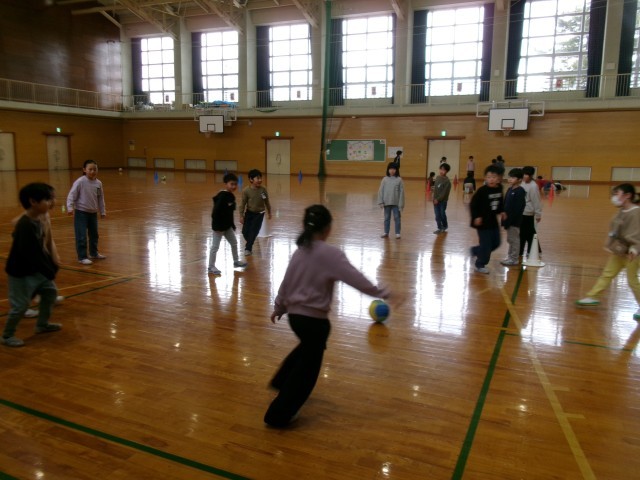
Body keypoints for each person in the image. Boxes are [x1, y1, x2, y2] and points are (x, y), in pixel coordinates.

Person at [264, 205, 394, 427]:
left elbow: (287, 283)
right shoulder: (331, 254)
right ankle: (278, 416)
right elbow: (356, 279)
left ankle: (281, 380)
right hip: (315, 322)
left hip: (296, 319)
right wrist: (382, 292)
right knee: (307, 371)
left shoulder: (300, 251)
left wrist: (279, 307)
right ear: (328, 229)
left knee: (306, 348)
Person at [2, 183, 62, 347]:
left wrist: (50, 264)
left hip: (36, 270)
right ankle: (7, 335)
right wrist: (49, 270)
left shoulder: (39, 219)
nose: (50, 203)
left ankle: (42, 325)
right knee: (20, 306)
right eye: (46, 200)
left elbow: (42, 247)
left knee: (50, 292)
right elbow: (32, 253)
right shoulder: (25, 224)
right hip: (21, 273)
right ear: (33, 202)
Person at [576, 184, 640, 319]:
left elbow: (637, 234)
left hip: (632, 254)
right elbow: (615, 230)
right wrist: (611, 243)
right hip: (620, 252)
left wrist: (634, 248)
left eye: (617, 194)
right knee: (607, 274)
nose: (614, 197)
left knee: (632, 281)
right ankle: (593, 297)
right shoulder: (621, 211)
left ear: (628, 195)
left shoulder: (636, 212)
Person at [66, 159, 106, 265]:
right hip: (81, 213)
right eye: (90, 169)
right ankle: (82, 257)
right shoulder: (80, 182)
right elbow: (71, 195)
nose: (93, 171)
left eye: (95, 169)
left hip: (93, 213)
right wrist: (70, 208)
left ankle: (93, 253)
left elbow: (100, 198)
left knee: (94, 235)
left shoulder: (98, 183)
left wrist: (102, 211)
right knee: (81, 235)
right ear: (84, 170)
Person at [208, 173, 248, 275]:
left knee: (234, 243)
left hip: (227, 227)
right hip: (218, 227)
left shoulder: (231, 197)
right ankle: (211, 266)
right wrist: (216, 227)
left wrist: (232, 225)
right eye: (231, 184)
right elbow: (215, 213)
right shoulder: (222, 197)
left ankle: (236, 262)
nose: (234, 186)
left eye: (235, 184)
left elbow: (230, 213)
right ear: (226, 184)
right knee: (215, 247)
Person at [469, 164, 504, 274]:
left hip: (493, 221)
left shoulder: (499, 188)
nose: (491, 179)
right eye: (489, 177)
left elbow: (500, 203)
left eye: (494, 177)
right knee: (486, 245)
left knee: (496, 243)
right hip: (482, 222)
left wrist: (502, 211)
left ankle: (475, 250)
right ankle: (480, 264)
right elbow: (473, 205)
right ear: (485, 178)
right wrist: (476, 216)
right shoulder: (482, 191)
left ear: (499, 178)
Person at [239, 169, 272, 256]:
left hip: (259, 214)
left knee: (254, 230)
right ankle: (250, 241)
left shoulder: (263, 190)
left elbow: (266, 201)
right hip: (249, 213)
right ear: (251, 179)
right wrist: (241, 215)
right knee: (245, 232)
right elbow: (242, 203)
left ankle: (248, 248)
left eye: (260, 178)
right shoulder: (246, 191)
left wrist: (269, 212)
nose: (260, 180)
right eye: (257, 178)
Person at [500, 168, 526, 266]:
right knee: (510, 239)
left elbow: (518, 208)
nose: (510, 179)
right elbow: (505, 203)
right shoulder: (510, 189)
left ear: (519, 179)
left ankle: (514, 259)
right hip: (508, 219)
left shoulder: (520, 191)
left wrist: (510, 219)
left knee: (514, 239)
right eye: (510, 177)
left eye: (513, 177)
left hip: (514, 221)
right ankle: (510, 257)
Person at [519, 166, 542, 258]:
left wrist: (538, 214)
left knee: (530, 233)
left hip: (528, 212)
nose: (525, 176)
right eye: (524, 174)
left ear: (531, 175)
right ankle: (521, 251)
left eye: (527, 175)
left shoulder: (533, 186)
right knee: (523, 232)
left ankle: (533, 250)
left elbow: (536, 201)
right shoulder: (522, 183)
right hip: (521, 212)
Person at [378, 162, 405, 239]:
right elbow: (380, 191)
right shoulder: (385, 179)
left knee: (397, 218)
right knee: (386, 218)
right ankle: (386, 232)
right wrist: (381, 202)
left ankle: (397, 233)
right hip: (386, 203)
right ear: (388, 170)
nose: (392, 171)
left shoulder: (399, 180)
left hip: (396, 203)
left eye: (394, 169)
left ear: (396, 170)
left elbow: (402, 193)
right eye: (390, 169)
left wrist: (401, 205)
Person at [433, 162, 452, 234]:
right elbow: (435, 189)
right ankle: (440, 228)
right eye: (440, 169)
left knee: (442, 214)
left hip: (442, 201)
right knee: (437, 216)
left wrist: (438, 199)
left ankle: (444, 226)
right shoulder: (437, 178)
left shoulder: (447, 181)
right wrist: (434, 198)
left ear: (447, 171)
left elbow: (444, 193)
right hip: (435, 201)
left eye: (443, 170)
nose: (441, 171)